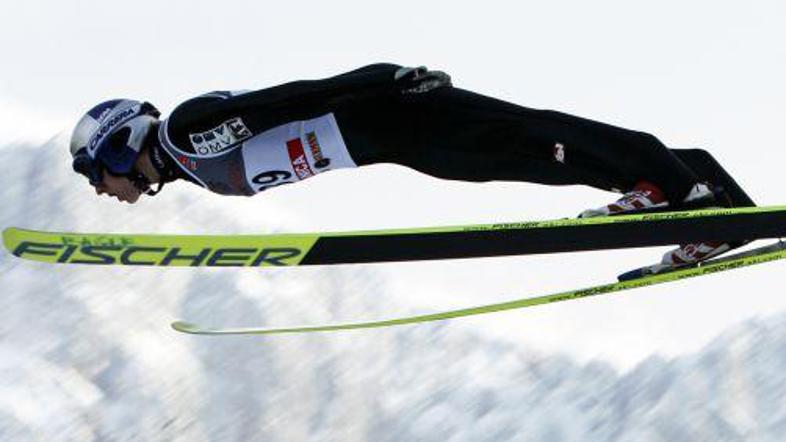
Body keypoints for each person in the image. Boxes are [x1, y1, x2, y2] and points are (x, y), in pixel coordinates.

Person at [69, 63, 755, 273]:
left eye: (98, 174)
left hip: (393, 116)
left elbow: (290, 100)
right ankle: (705, 194)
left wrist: (386, 77)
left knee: (539, 136)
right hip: (392, 144)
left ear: (119, 145)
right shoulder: (192, 169)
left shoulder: (189, 134)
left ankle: (675, 190)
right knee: (539, 161)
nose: (104, 191)